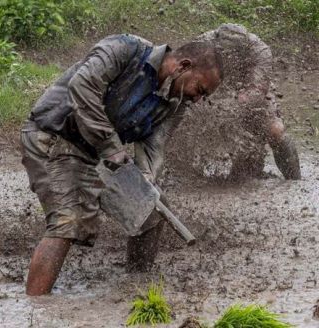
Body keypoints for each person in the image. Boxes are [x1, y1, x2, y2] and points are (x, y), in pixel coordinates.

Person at [20, 34, 223, 296]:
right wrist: (110, 146)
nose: (197, 100)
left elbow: (153, 147)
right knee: (68, 220)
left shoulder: (175, 105)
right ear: (183, 66)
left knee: (150, 212)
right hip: (53, 136)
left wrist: (146, 178)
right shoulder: (124, 49)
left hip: (98, 154)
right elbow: (82, 87)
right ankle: (35, 309)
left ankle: (134, 291)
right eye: (201, 90)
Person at [199, 24, 301, 180]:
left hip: (249, 92)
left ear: (242, 51)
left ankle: (294, 181)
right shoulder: (203, 44)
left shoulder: (260, 51)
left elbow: (256, 90)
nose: (228, 58)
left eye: (232, 54)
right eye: (224, 53)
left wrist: (229, 108)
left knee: (275, 130)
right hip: (212, 90)